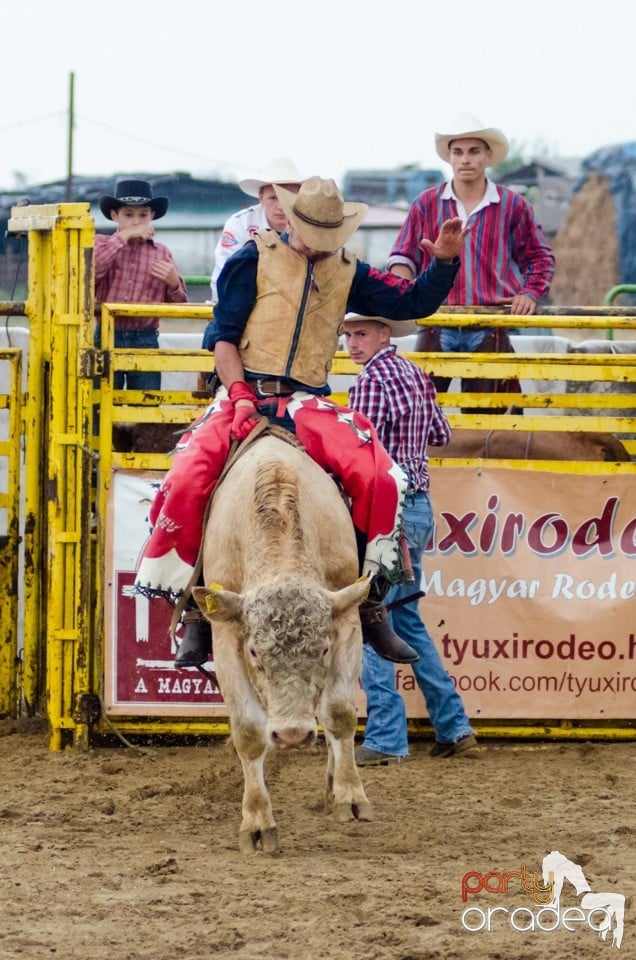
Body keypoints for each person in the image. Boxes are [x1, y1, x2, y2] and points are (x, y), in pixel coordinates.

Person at [134, 176, 466, 669]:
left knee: (379, 476)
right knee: (187, 477)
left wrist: (443, 263)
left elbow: (413, 303)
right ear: (293, 220)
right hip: (244, 393)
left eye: (331, 235)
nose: (322, 245)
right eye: (316, 233)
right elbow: (222, 336)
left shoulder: (349, 271)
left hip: (306, 399)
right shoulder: (252, 257)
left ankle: (371, 603)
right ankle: (197, 610)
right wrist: (241, 392)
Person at [342, 313, 477, 761]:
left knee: (373, 620)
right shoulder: (416, 374)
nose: (352, 343)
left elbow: (362, 453)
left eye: (360, 334)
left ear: (383, 334)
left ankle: (385, 737)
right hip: (418, 507)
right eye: (347, 335)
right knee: (404, 621)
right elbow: (441, 433)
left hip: (385, 512)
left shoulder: (368, 383)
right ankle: (454, 727)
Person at [387, 113, 555, 412]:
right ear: (449, 158)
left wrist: (529, 292)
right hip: (436, 320)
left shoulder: (513, 205)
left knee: (487, 415)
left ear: (488, 156)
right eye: (458, 152)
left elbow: (539, 256)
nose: (465, 159)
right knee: (420, 414)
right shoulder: (425, 203)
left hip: (489, 322)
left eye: (474, 151)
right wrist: (402, 290)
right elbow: (403, 257)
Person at [95, 178, 187, 390]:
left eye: (142, 215)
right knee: (101, 402)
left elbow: (180, 303)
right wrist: (123, 237)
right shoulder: (101, 243)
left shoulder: (162, 252)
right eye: (128, 215)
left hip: (145, 336)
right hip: (107, 333)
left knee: (146, 402)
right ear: (114, 215)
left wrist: (173, 283)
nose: (136, 221)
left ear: (151, 216)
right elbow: (92, 271)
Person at [209, 157, 304, 302]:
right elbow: (223, 273)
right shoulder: (239, 224)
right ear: (261, 197)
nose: (280, 206)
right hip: (241, 303)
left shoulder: (309, 225)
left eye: (287, 198)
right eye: (273, 198)